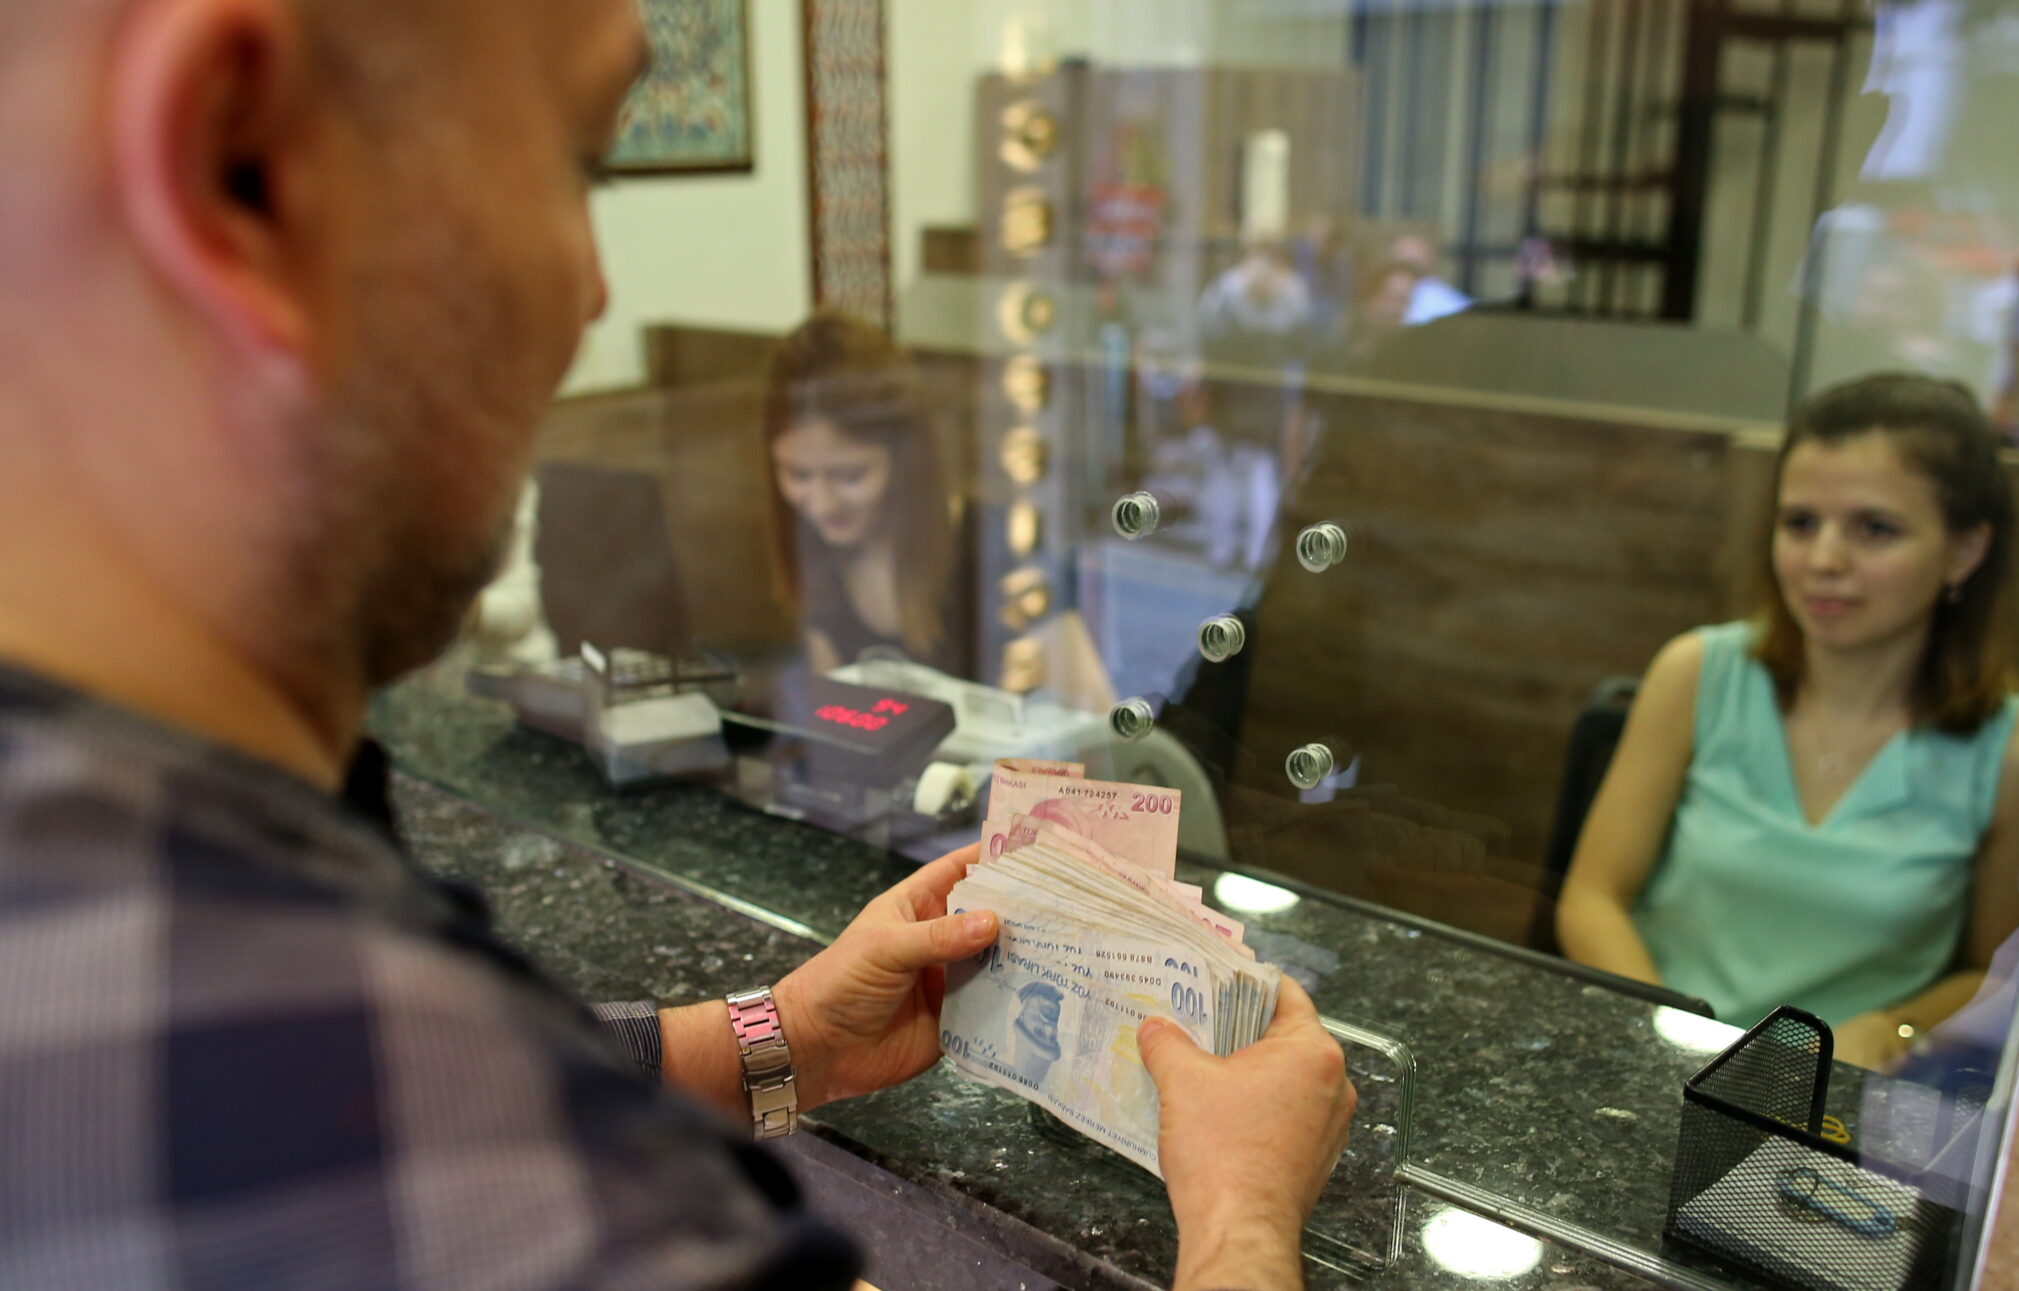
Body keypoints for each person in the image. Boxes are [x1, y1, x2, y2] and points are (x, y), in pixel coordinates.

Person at [0, 3, 1356, 1290]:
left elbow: (506, 1077)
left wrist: (788, 1035)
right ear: (236, 167)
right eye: (581, 160)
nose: (592, 293)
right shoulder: (422, 1137)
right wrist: (1241, 1209)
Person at [1557, 373, 2019, 1069]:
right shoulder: (1696, 672)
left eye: (1875, 529)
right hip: (1659, 1057)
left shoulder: (2017, 748)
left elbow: (1996, 972)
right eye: (1800, 523)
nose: (1823, 560)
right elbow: (1592, 897)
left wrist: (1898, 1028)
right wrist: (1669, 1039)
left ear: (1964, 552)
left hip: (1838, 1095)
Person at [764, 311, 970, 675]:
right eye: (798, 474)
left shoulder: (991, 545)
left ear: (906, 460)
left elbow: (1074, 699)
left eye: (851, 475)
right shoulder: (819, 557)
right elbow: (831, 699)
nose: (823, 505)